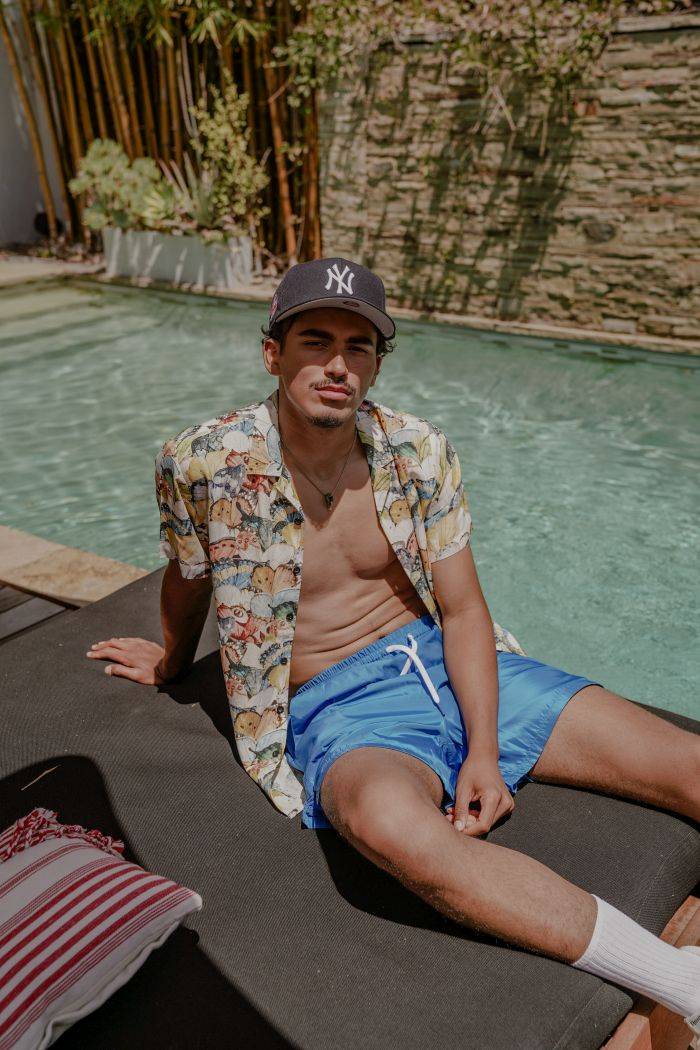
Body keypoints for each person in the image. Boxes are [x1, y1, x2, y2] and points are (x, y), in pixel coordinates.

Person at [86, 257, 700, 1040]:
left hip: (452, 663)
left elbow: (466, 608)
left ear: (377, 362)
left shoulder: (418, 451)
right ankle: (682, 981)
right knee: (386, 825)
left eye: (360, 346)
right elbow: (188, 574)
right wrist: (172, 658)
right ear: (272, 352)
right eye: (316, 341)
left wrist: (481, 748)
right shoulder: (203, 462)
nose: (339, 365)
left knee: (688, 762)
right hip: (340, 704)